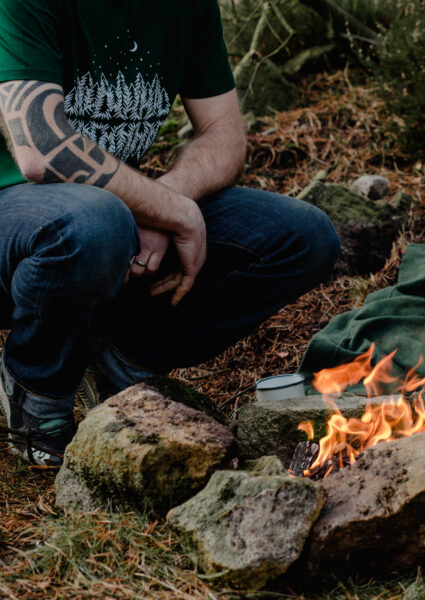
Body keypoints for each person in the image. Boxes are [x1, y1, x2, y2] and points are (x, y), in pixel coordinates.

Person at [0, 0, 340, 466]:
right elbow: (42, 151)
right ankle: (37, 391)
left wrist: (168, 202)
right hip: (18, 214)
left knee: (302, 236)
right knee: (96, 221)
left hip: (107, 221)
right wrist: (164, 210)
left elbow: (225, 135)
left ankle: (118, 364)